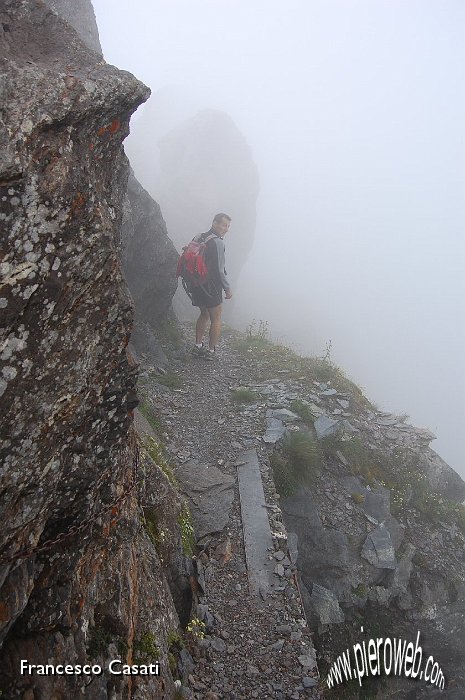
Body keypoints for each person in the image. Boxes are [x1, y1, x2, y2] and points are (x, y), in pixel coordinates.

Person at [191, 213, 232, 360]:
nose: (226, 229)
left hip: (196, 284)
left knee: (204, 314)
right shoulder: (218, 243)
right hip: (211, 286)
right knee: (216, 318)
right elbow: (220, 270)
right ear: (214, 223)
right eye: (223, 225)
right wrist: (227, 288)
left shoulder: (198, 236)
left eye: (228, 226)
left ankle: (197, 346)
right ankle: (211, 351)